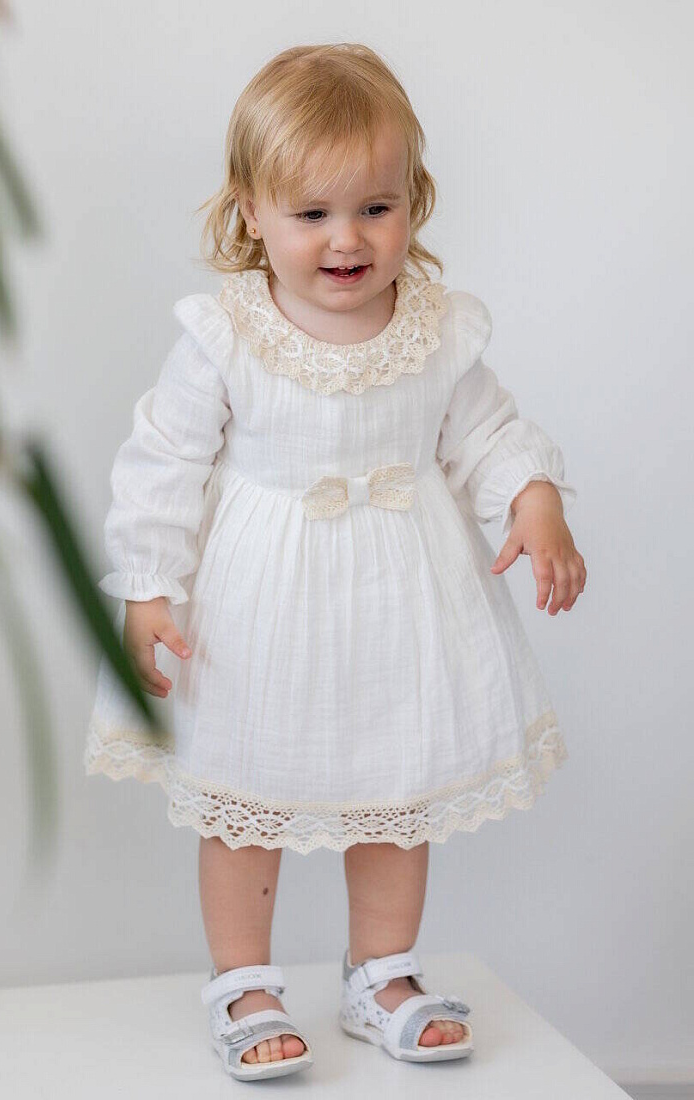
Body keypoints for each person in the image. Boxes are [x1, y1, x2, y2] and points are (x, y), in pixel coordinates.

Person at [85, 42, 585, 1082]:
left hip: (404, 598)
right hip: (259, 607)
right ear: (251, 211)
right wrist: (146, 588)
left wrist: (532, 498)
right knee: (247, 800)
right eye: (311, 213)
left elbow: (484, 434)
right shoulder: (227, 334)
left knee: (398, 792)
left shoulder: (437, 329)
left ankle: (381, 971)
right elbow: (163, 464)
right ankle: (243, 980)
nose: (347, 238)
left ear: (414, 201)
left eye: (375, 207)